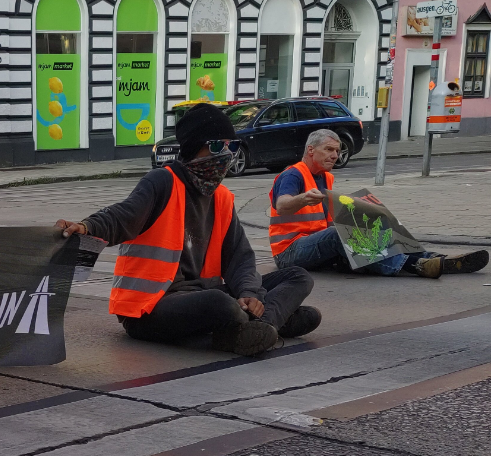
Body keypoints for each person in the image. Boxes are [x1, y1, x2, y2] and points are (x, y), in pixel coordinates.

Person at [56, 103, 320, 356]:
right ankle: (264, 323)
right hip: (151, 307)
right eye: (217, 145)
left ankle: (255, 328)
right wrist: (86, 226)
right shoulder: (163, 181)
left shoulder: (222, 197)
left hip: (204, 292)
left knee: (298, 278)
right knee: (221, 304)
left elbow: (240, 258)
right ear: (194, 148)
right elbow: (124, 215)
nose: (226, 154)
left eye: (232, 146)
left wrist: (250, 294)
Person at [270, 129, 487, 278]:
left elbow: (327, 220)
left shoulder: (326, 177)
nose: (335, 155)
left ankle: (433, 259)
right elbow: (282, 205)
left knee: (375, 226)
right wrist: (303, 198)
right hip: (289, 252)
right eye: (328, 149)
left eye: (337, 150)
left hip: (313, 246)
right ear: (311, 150)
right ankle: (414, 265)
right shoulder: (293, 175)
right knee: (338, 235)